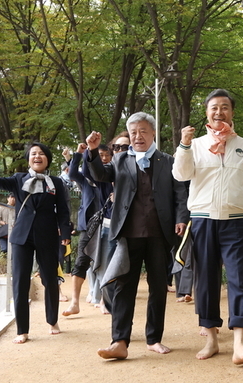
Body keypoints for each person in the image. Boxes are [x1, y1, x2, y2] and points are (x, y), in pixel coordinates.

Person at [172, 88, 243, 365]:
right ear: (207, 114)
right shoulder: (196, 144)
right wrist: (184, 145)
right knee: (206, 281)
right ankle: (211, 338)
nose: (219, 112)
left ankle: (239, 343)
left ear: (232, 113)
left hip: (236, 222)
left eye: (224, 107)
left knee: (240, 279)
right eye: (214, 108)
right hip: (202, 220)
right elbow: (181, 174)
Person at [86, 111, 189, 359]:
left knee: (158, 287)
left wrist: (181, 219)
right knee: (124, 287)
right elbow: (99, 174)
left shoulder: (168, 160)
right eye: (133, 132)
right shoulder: (120, 160)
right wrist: (91, 152)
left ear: (153, 132)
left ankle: (154, 338)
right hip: (127, 235)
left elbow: (180, 194)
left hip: (159, 234)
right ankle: (119, 341)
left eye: (143, 130)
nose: (137, 136)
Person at [0, 142, 72, 344]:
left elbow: (63, 209)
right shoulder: (18, 179)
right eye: (33, 154)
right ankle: (22, 330)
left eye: (41, 153)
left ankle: (52, 321)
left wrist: (65, 232)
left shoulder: (56, 183)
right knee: (20, 282)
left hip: (47, 235)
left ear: (47, 159)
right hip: (21, 237)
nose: (37, 157)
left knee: (50, 279)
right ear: (28, 159)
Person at [62, 144, 114, 316]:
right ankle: (75, 303)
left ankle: (104, 301)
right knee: (81, 263)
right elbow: (71, 173)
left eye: (106, 155)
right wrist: (78, 153)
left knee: (106, 264)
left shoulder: (111, 179)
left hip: (108, 224)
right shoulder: (84, 180)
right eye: (100, 155)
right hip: (87, 227)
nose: (104, 158)